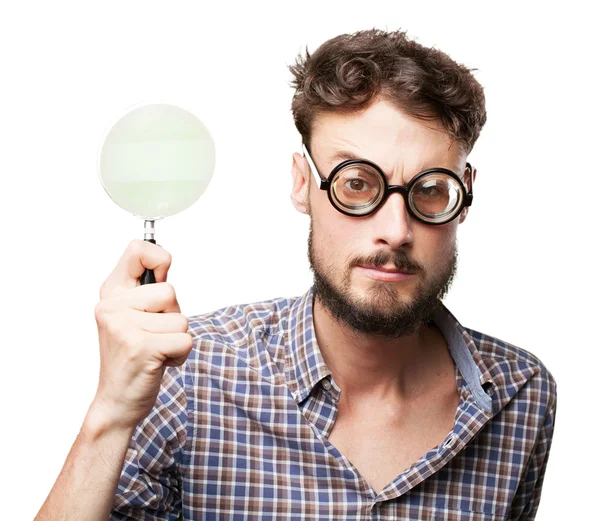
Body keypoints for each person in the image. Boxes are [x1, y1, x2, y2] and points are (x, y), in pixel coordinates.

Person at [34, 28, 557, 520]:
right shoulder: (188, 376)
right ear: (303, 184)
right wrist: (111, 414)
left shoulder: (524, 396)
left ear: (464, 196)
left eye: (430, 190)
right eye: (357, 184)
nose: (396, 231)